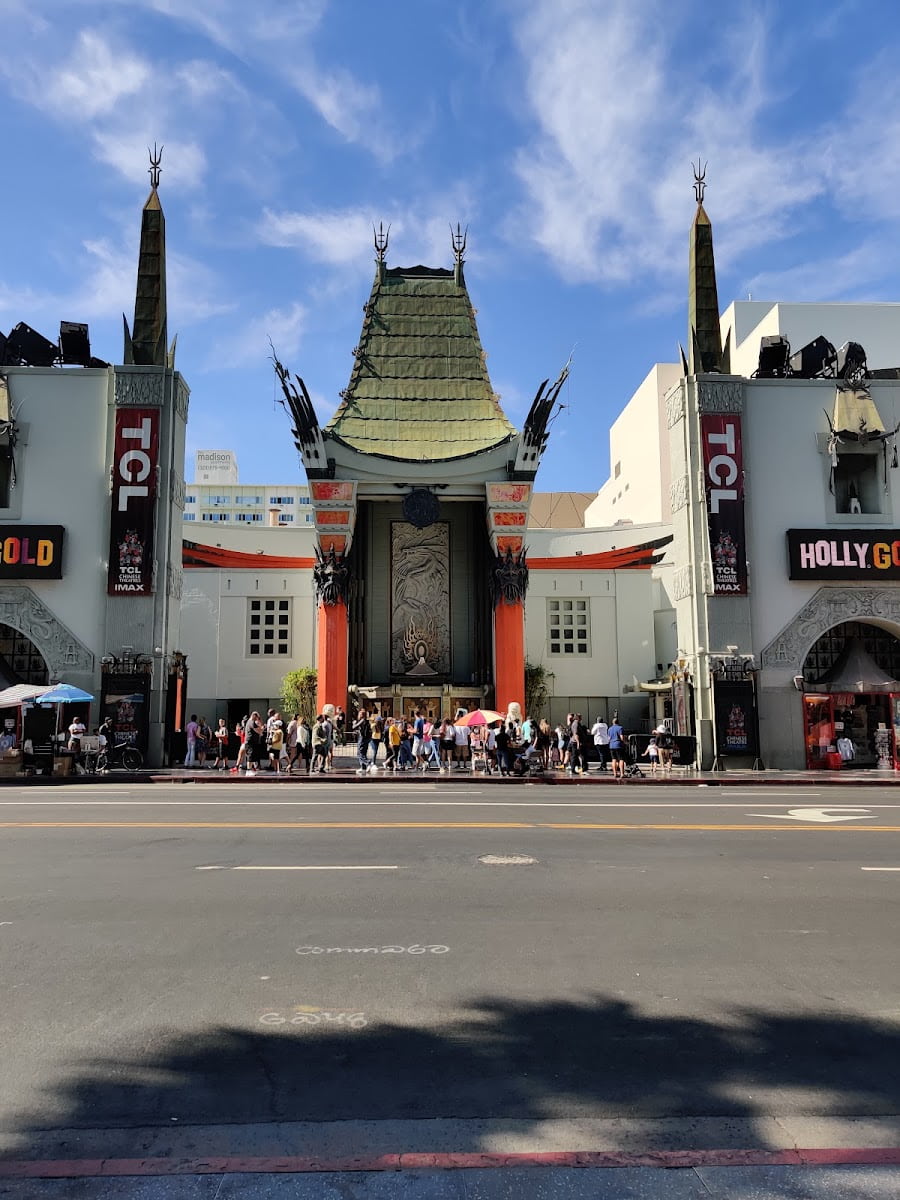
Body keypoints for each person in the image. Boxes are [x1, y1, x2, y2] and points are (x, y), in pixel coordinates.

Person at [608, 714, 627, 780]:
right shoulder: (620, 728)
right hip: (618, 745)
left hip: (612, 745)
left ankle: (615, 773)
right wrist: (625, 742)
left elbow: (609, 738)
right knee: (621, 759)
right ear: (618, 722)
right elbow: (622, 737)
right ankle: (622, 773)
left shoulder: (610, 729)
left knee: (614, 759)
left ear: (612, 723)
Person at [354, 708, 372, 775]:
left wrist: (354, 724)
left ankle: (368, 762)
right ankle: (363, 767)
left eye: (359, 714)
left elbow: (354, 727)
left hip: (362, 738)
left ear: (361, 715)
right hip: (366, 738)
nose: (358, 715)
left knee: (360, 753)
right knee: (363, 752)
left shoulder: (362, 720)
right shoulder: (366, 721)